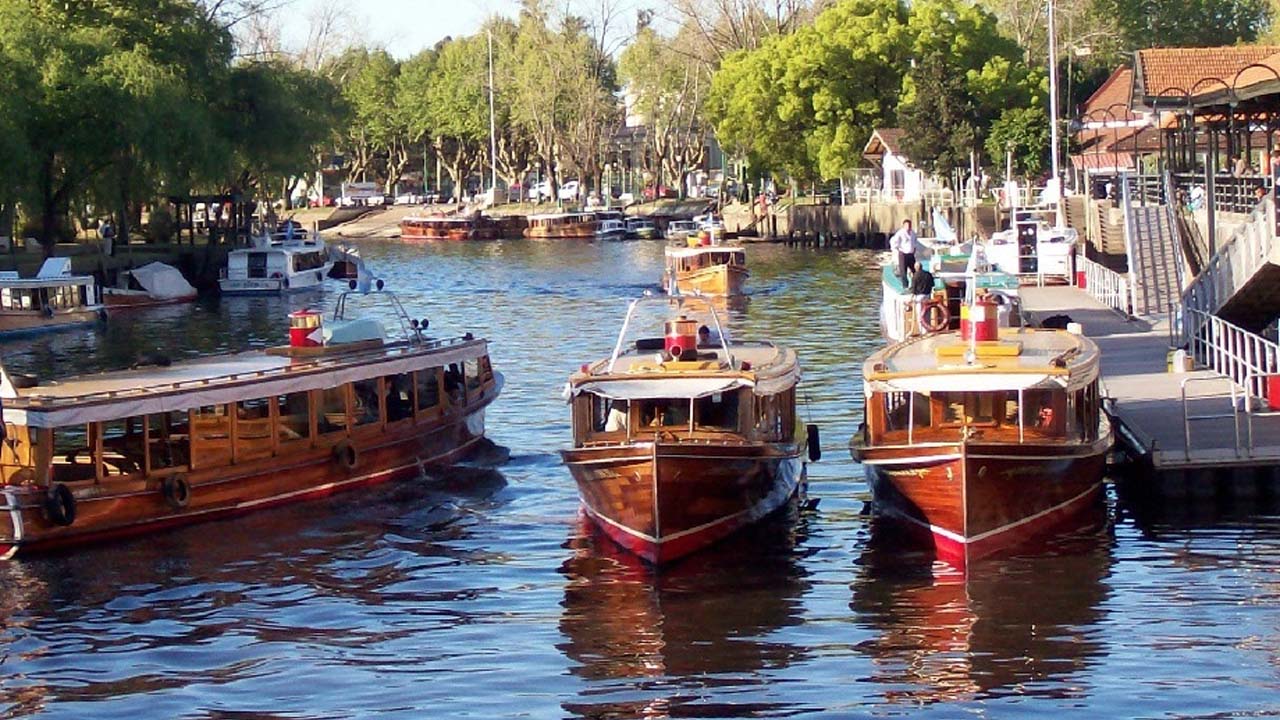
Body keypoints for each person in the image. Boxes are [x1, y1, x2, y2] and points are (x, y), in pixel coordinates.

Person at [909, 261, 936, 335]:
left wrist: (911, 299)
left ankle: (922, 331)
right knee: (927, 313)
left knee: (920, 314)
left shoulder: (915, 276)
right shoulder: (928, 274)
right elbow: (932, 284)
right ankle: (928, 329)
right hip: (927, 296)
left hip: (919, 297)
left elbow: (913, 289)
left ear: (916, 267)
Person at [889, 219, 917, 288]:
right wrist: (896, 250)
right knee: (903, 272)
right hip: (903, 254)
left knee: (915, 270)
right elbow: (893, 241)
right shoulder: (900, 233)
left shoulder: (913, 233)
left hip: (911, 254)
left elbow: (915, 242)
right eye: (907, 225)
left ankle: (915, 285)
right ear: (904, 226)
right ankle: (905, 286)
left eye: (910, 225)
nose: (909, 227)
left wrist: (914, 249)